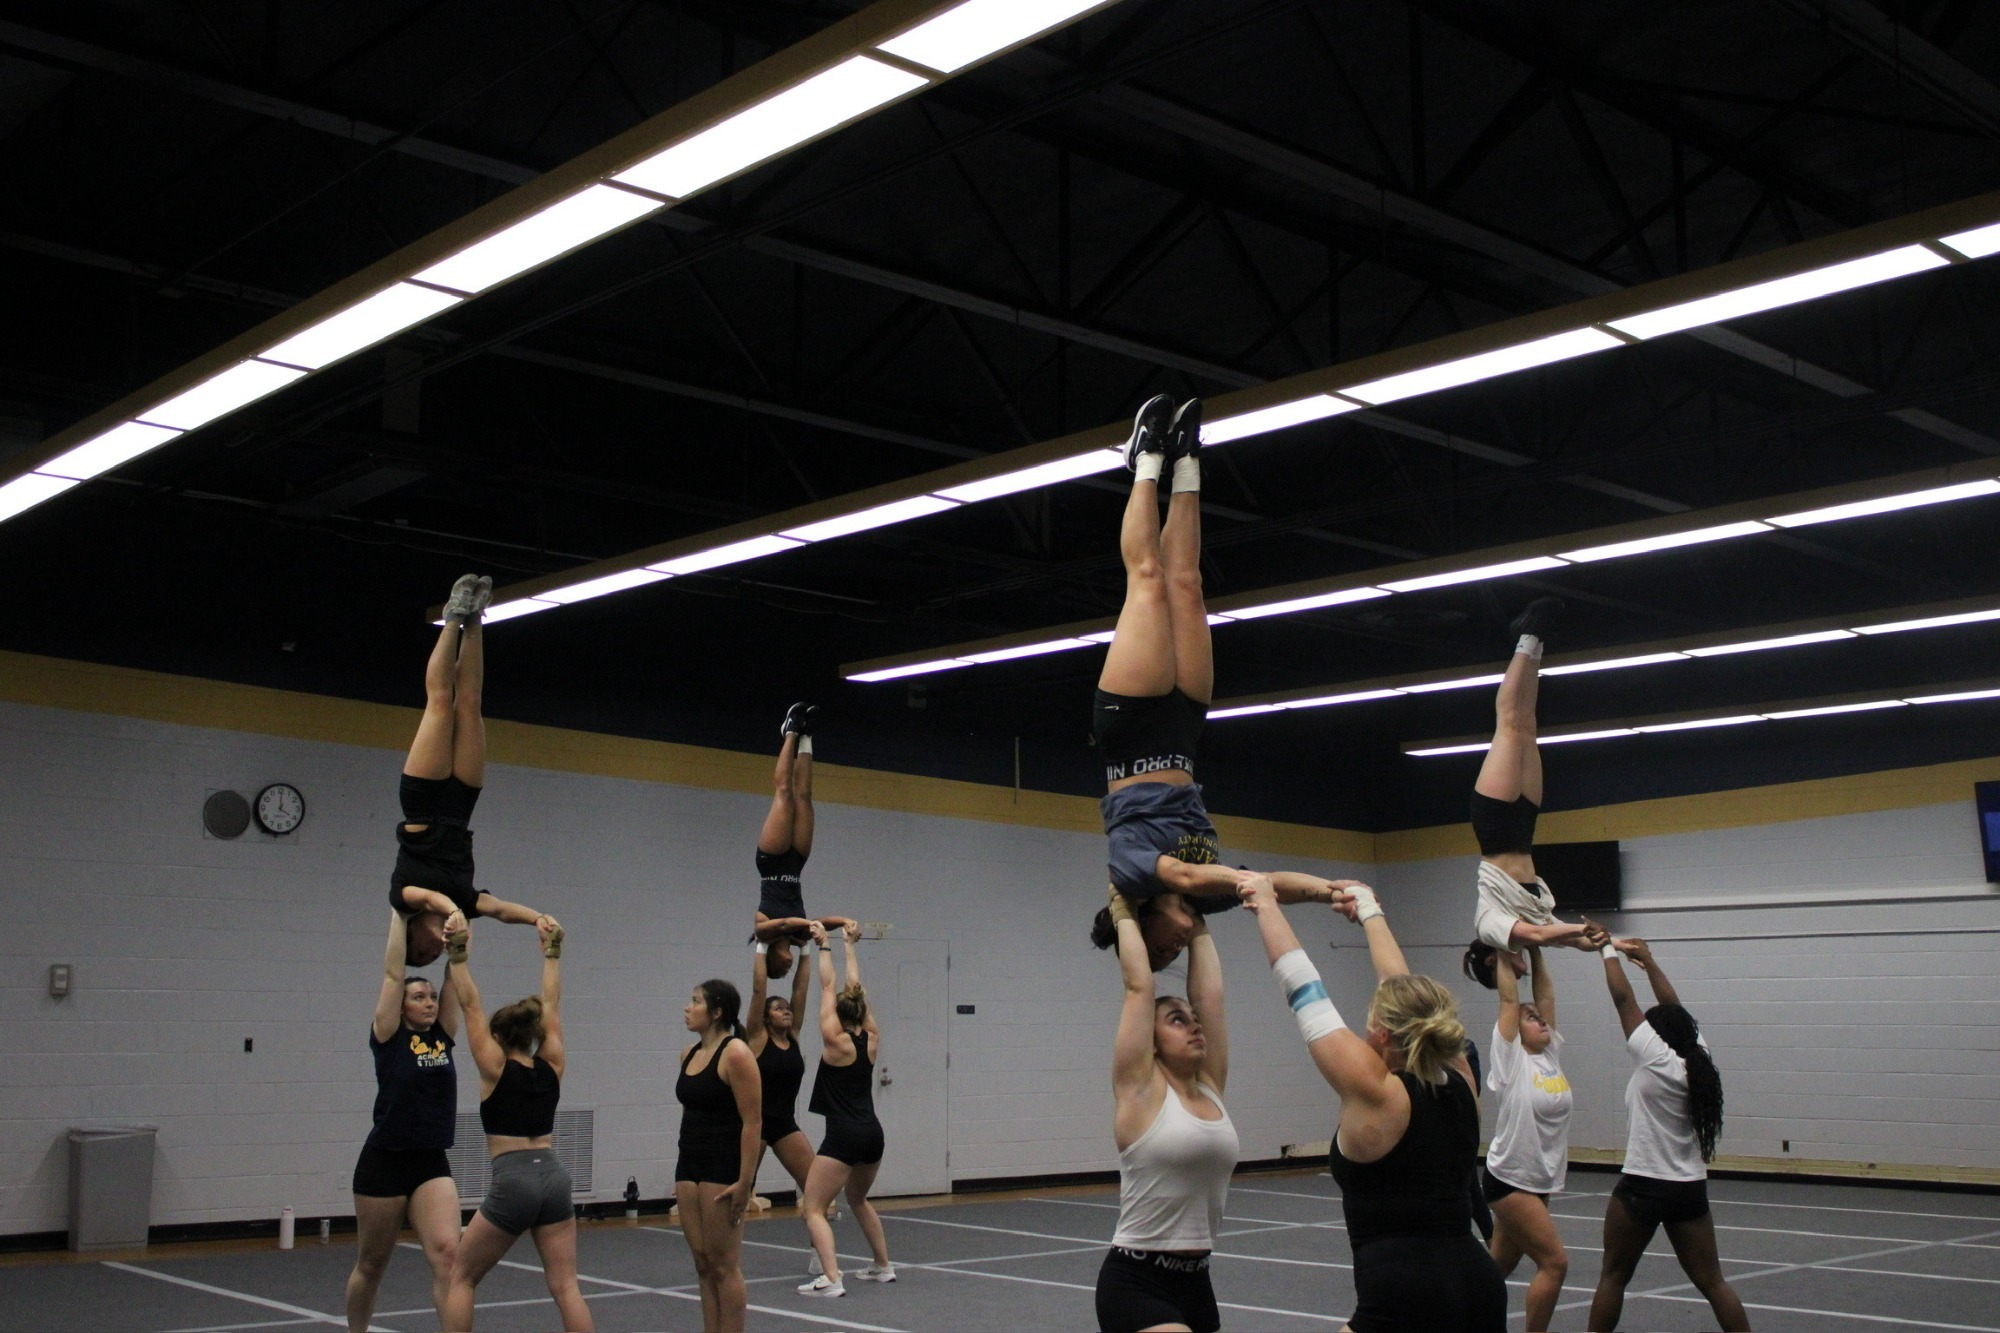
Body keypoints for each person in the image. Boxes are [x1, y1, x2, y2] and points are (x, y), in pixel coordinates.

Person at [1088, 394, 1358, 970]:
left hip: (1132, 730)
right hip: (1183, 733)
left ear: (1140, 924)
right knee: (1187, 586)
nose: (1180, 945)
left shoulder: (1130, 870)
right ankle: (1188, 461)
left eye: (1164, 947)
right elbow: (1265, 883)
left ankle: (1144, 462)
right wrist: (1325, 890)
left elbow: (1197, 874)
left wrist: (1241, 885)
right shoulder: (1208, 888)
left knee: (1149, 581)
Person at [1241, 877, 1504, 1332]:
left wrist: (1266, 904)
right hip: (1479, 1283)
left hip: (1406, 1296)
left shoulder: (1377, 1092)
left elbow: (1304, 990)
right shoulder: (1461, 1077)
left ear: (1380, 1035)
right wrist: (1367, 909)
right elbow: (1401, 990)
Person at [1581, 930, 1750, 1332]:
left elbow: (1624, 1001)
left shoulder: (1655, 1058)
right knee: (1713, 1282)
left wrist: (1606, 950)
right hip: (1688, 1188)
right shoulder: (1698, 1059)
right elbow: (1676, 1010)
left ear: (1659, 1037)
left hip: (1643, 1185)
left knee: (1613, 1277)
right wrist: (1650, 962)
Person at [1095, 888, 1239, 1333]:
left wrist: (1193, 920)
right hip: (1136, 1282)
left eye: (1191, 1019)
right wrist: (1123, 911)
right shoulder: (1140, 1092)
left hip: (1197, 1284)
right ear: (1151, 1043)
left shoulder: (1210, 1087)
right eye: (1177, 1020)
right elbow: (1140, 986)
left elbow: (1210, 999)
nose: (1194, 1025)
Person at [393, 573, 557, 965]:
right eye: (436, 954)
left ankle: (452, 617)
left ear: (412, 933)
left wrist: (451, 913)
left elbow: (430, 897)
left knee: (440, 702)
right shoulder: (464, 906)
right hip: (459, 807)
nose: (437, 948)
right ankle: (476, 619)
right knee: (470, 703)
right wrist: (538, 918)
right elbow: (498, 909)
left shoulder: (402, 896)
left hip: (424, 805)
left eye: (425, 950)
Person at [441, 919, 591, 1332]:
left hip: (514, 1180)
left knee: (462, 1277)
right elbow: (552, 1005)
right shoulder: (552, 1065)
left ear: (498, 1038)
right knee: (566, 1287)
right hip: (554, 1177)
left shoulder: (493, 1068)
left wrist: (458, 955)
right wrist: (552, 955)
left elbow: (470, 1005)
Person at [1461, 598, 1589, 990]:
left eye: (1515, 972)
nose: (1524, 970)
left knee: (1510, 725)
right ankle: (1538, 645)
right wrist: (1616, 945)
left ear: (1491, 961)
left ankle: (1526, 638)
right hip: (1523, 828)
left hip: (1497, 827)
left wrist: (1575, 937)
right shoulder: (1532, 924)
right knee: (1529, 726)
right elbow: (1568, 937)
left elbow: (1539, 937)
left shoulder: (1493, 928)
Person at [345, 908, 462, 1333]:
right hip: (385, 1161)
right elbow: (394, 974)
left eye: (431, 997)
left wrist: (457, 936)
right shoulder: (388, 1036)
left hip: (430, 1161)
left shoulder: (443, 1035)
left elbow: (456, 976)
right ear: (401, 1005)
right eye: (419, 997)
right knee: (373, 1264)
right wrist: (398, 915)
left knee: (450, 1254)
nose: (429, 1002)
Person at [797, 923, 894, 1298]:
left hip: (844, 1134)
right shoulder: (871, 1038)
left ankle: (832, 1278)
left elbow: (827, 986)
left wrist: (823, 947)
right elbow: (854, 990)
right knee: (858, 1199)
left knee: (813, 1207)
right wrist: (848, 946)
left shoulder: (834, 1040)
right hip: (872, 1133)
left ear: (838, 1013)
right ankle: (883, 1266)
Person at [1482, 947, 1572, 1332]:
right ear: (1514, 1032)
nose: (1540, 1019)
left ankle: (1448, 1318)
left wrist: (1535, 946)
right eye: (1530, 1017)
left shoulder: (1549, 1054)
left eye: (1539, 1017)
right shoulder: (1510, 1058)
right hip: (1510, 1179)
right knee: (1554, 1263)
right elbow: (1509, 999)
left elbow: (1546, 996)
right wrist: (1504, 946)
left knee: (1496, 1269)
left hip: (1539, 1180)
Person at [675, 978, 762, 1333]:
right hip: (689, 1163)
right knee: (702, 1263)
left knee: (724, 1266)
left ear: (716, 1012)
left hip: (722, 1166)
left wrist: (745, 1182)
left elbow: (753, 1122)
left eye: (695, 1001)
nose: (687, 1007)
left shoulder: (737, 1053)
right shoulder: (689, 1054)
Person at [750, 702, 852, 979]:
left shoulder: (763, 931)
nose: (788, 965)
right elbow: (820, 924)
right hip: (795, 863)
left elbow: (783, 923)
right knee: (805, 797)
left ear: (771, 959)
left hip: (772, 861)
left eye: (782, 969)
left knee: (784, 794)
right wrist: (844, 920)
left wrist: (810, 925)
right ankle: (806, 737)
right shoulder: (801, 935)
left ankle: (790, 731)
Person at [747, 928, 837, 1238]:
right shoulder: (757, 1039)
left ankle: (819, 1257)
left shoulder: (794, 1036)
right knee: (738, 1192)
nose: (786, 1010)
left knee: (817, 1189)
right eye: (778, 1008)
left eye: (787, 1007)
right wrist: (761, 947)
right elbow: (759, 992)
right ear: (766, 1017)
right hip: (754, 1125)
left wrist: (805, 950)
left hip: (784, 1124)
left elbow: (801, 990)